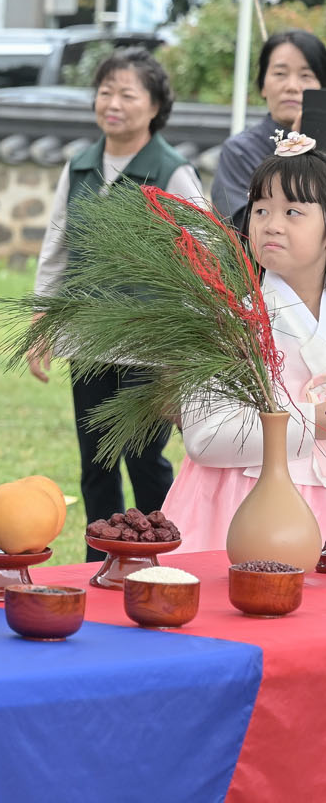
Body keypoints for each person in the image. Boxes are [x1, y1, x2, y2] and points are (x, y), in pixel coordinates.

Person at [29, 50, 204, 554]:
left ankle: (163, 555)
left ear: (155, 106)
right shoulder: (80, 166)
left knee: (145, 462)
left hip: (150, 349)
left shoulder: (171, 172)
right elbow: (57, 248)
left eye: (128, 94)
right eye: (105, 92)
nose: (113, 103)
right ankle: (98, 565)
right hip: (87, 342)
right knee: (96, 465)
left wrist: (187, 351)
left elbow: (205, 256)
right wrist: (42, 319)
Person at [164, 94, 326, 541]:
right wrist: (315, 421)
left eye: (293, 212)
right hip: (234, 508)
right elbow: (205, 437)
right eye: (261, 210)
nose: (271, 224)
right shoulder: (228, 318)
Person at [210, 29, 326, 223]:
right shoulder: (240, 152)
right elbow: (241, 226)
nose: (292, 86)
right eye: (280, 73)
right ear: (263, 85)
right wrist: (296, 153)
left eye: (306, 75)